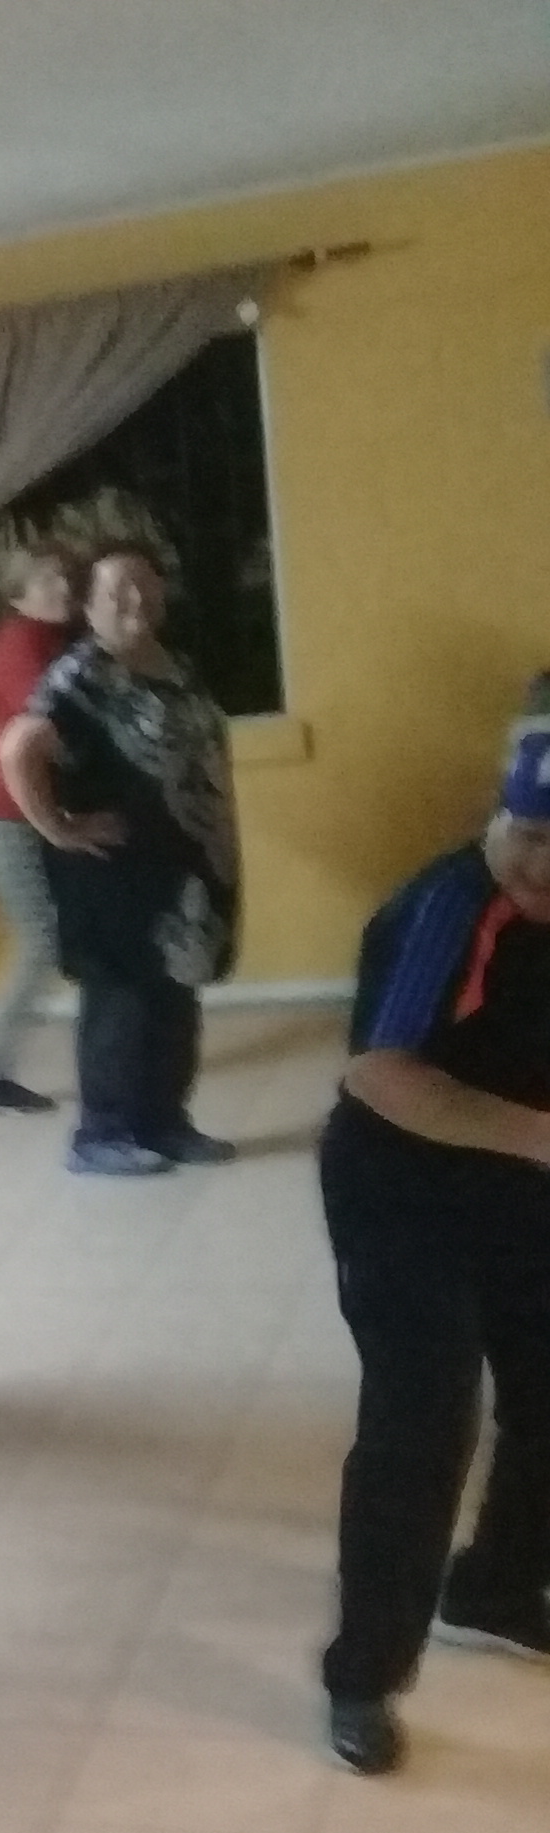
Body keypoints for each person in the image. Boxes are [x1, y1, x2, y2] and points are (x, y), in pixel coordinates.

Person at [313, 689, 550, 1776]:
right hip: (400, 1185)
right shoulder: (447, 906)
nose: (541, 864)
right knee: (424, 1416)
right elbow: (381, 1073)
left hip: (516, 1179)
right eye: (527, 831)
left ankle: (495, 1586)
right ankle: (363, 1676)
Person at [0, 546, 242, 1176]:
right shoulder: (83, 676)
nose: (135, 598)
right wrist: (57, 826)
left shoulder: (177, 666)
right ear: (88, 606)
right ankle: (100, 1135)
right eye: (115, 590)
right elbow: (17, 748)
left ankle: (165, 1123)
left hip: (180, 871)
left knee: (175, 1000)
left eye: (144, 583)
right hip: (114, 872)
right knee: (121, 1005)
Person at [0, 546, 83, 1116]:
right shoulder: (21, 642)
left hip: (31, 810)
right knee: (42, 939)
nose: (63, 588)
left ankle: (108, 1050)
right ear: (17, 595)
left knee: (64, 934)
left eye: (65, 577)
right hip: (3, 813)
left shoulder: (52, 640)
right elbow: (53, 724)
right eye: (47, 580)